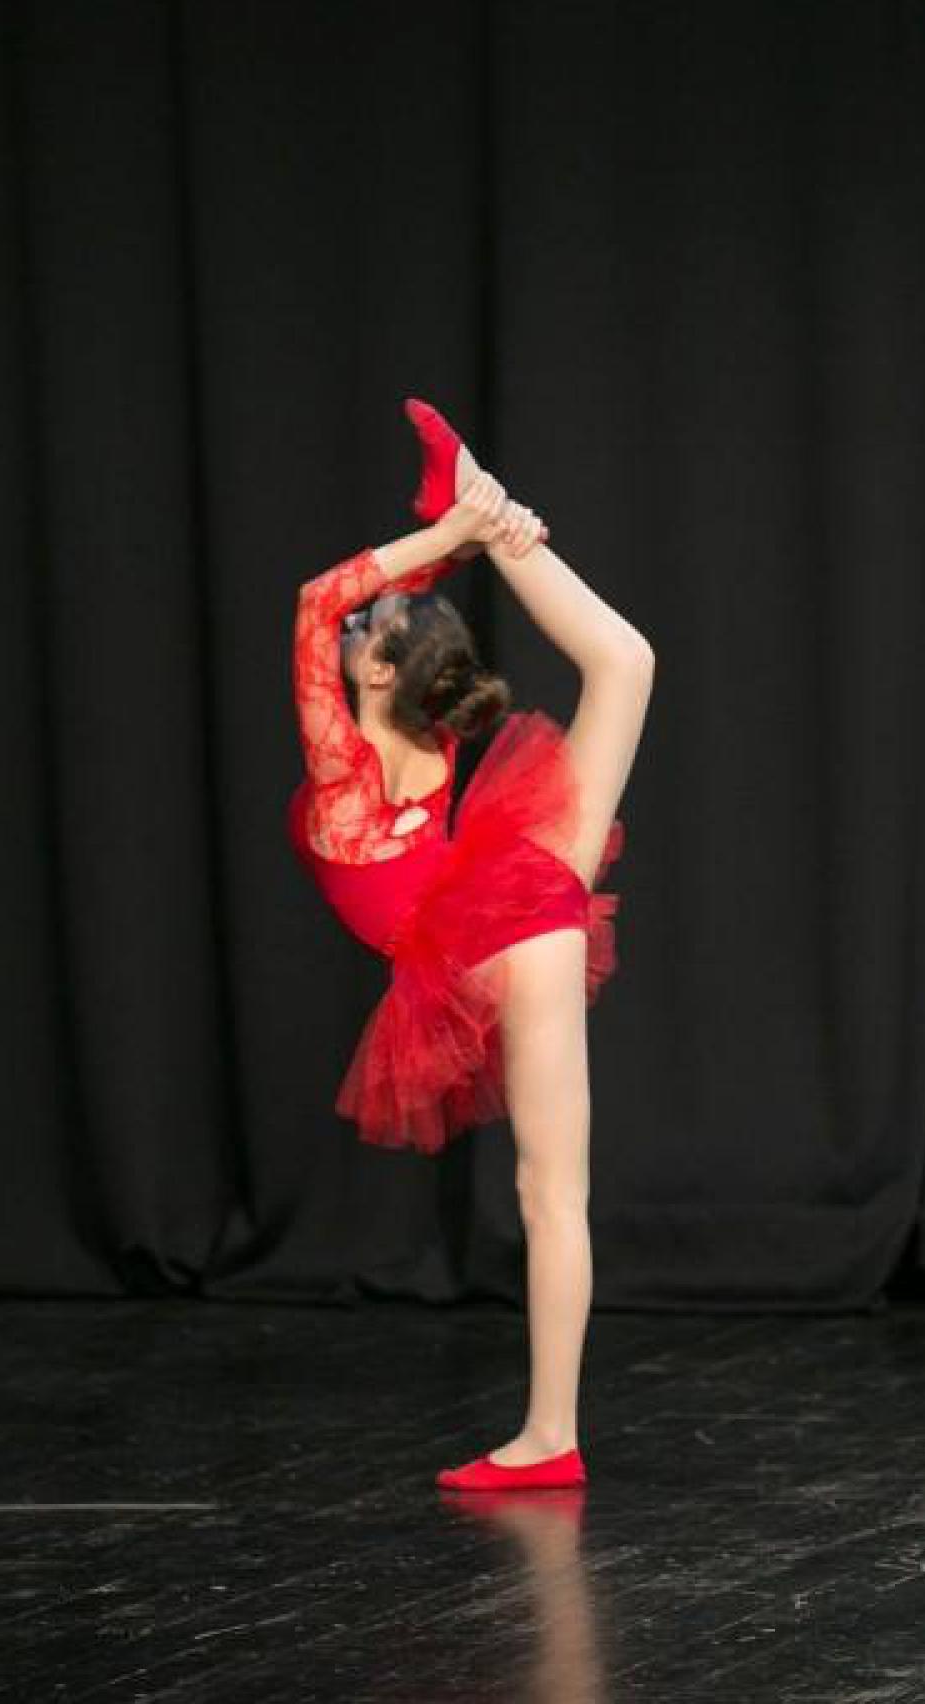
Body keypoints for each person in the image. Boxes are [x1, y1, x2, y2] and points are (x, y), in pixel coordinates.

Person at [288, 400, 655, 1489]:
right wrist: (481, 529)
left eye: (372, 631)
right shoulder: (418, 735)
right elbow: (372, 610)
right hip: (518, 895)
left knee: (551, 1196)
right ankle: (550, 1437)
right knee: (625, 663)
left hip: (500, 929)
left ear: (379, 676)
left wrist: (461, 531)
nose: (357, 627)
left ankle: (552, 1440)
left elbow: (319, 601)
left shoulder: (347, 773)